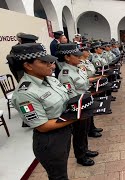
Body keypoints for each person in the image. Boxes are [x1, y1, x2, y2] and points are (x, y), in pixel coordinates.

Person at [11, 43, 77, 179]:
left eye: (50, 61)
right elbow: (42, 126)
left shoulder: (51, 80)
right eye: (44, 62)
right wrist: (76, 116)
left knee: (62, 171)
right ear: (28, 65)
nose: (51, 65)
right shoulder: (25, 93)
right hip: (50, 141)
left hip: (64, 131)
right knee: (58, 176)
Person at [57, 43, 98, 166]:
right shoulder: (65, 74)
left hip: (85, 103)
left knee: (84, 130)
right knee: (79, 132)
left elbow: (84, 84)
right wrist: (80, 107)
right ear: (67, 57)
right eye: (76, 55)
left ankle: (85, 150)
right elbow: (71, 95)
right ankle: (80, 156)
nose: (79, 57)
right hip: (77, 107)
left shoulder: (77, 68)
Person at [78, 44, 103, 137]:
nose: (88, 52)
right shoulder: (80, 65)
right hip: (87, 87)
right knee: (87, 112)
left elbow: (92, 72)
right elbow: (86, 78)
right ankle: (90, 130)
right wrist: (99, 77)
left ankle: (92, 127)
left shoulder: (87, 61)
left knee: (90, 110)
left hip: (90, 86)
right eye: (86, 50)